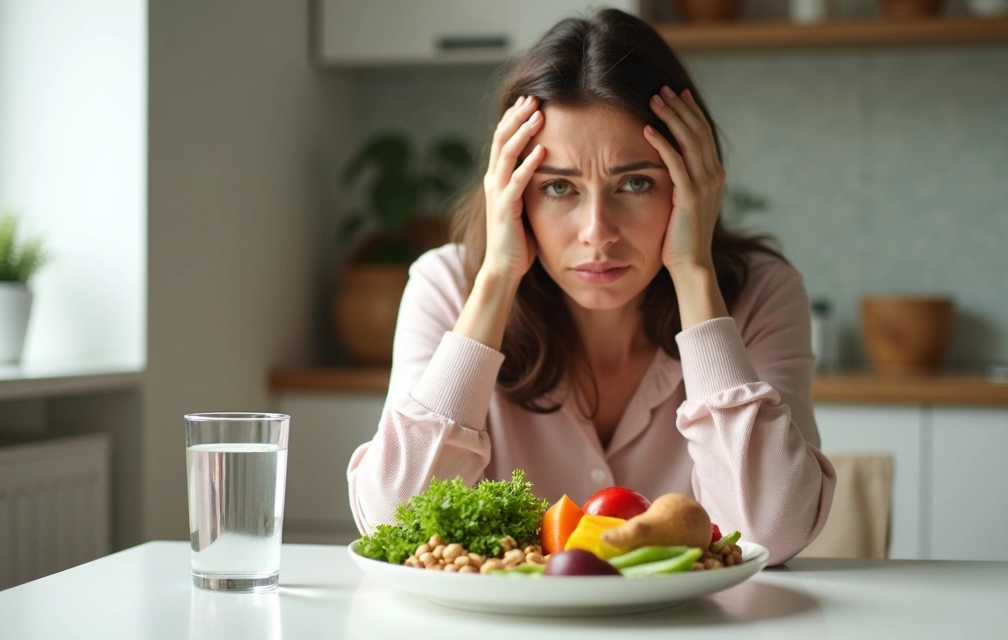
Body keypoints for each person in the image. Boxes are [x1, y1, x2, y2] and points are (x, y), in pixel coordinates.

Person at [347, 8, 835, 565]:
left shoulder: (761, 293)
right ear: (512, 192)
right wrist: (497, 279)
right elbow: (395, 525)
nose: (597, 232)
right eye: (559, 188)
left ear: (693, 183)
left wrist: (693, 273)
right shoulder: (446, 287)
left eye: (635, 182)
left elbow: (771, 533)